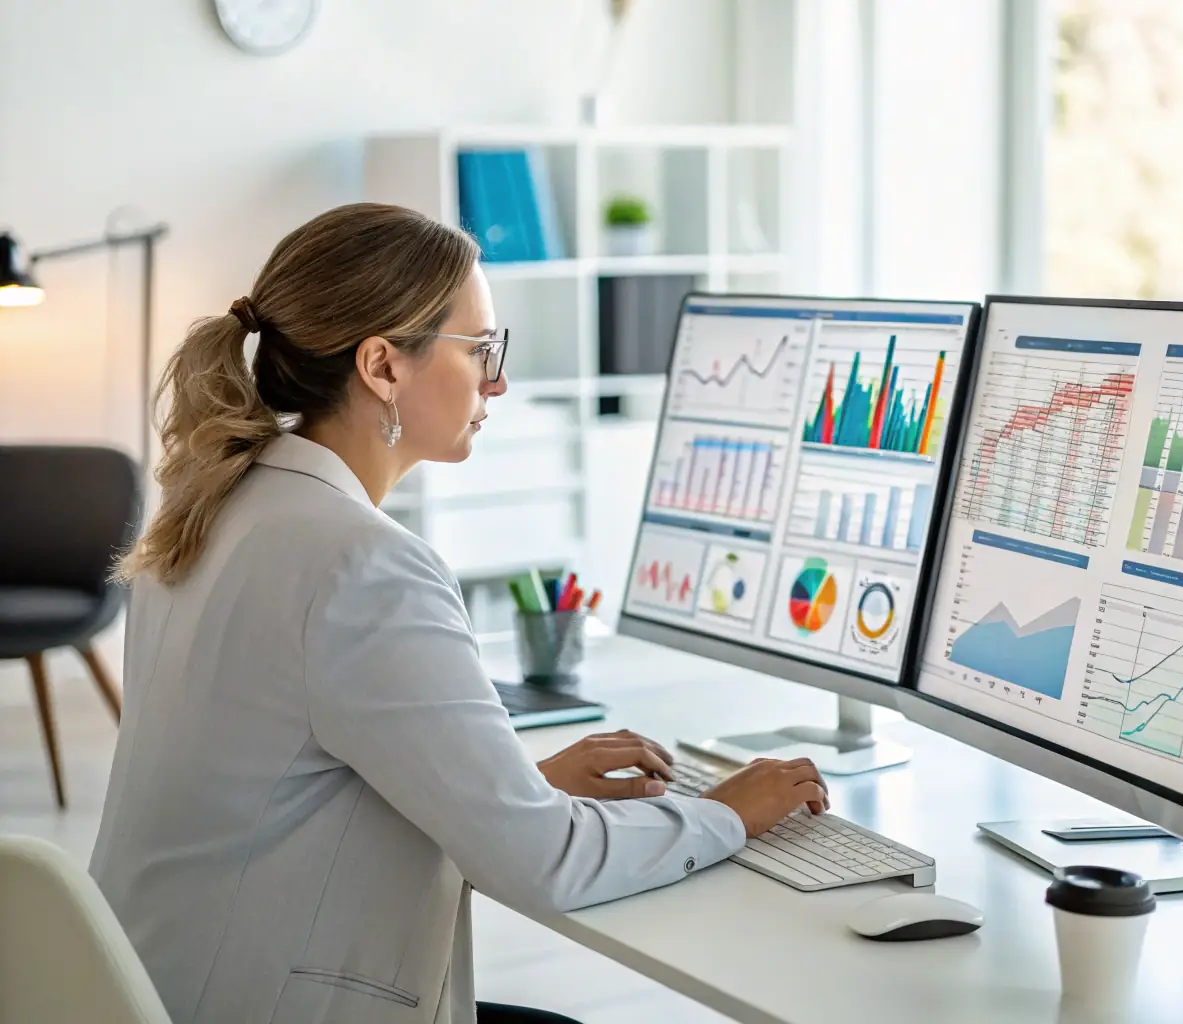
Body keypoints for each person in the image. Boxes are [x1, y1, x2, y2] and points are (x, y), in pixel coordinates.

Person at [90, 203, 828, 1024]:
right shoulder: (361, 563)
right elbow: (548, 863)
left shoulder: (212, 511)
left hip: (159, 986)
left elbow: (282, 791)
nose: (498, 381)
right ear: (382, 365)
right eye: (480, 350)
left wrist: (514, 790)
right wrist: (725, 812)